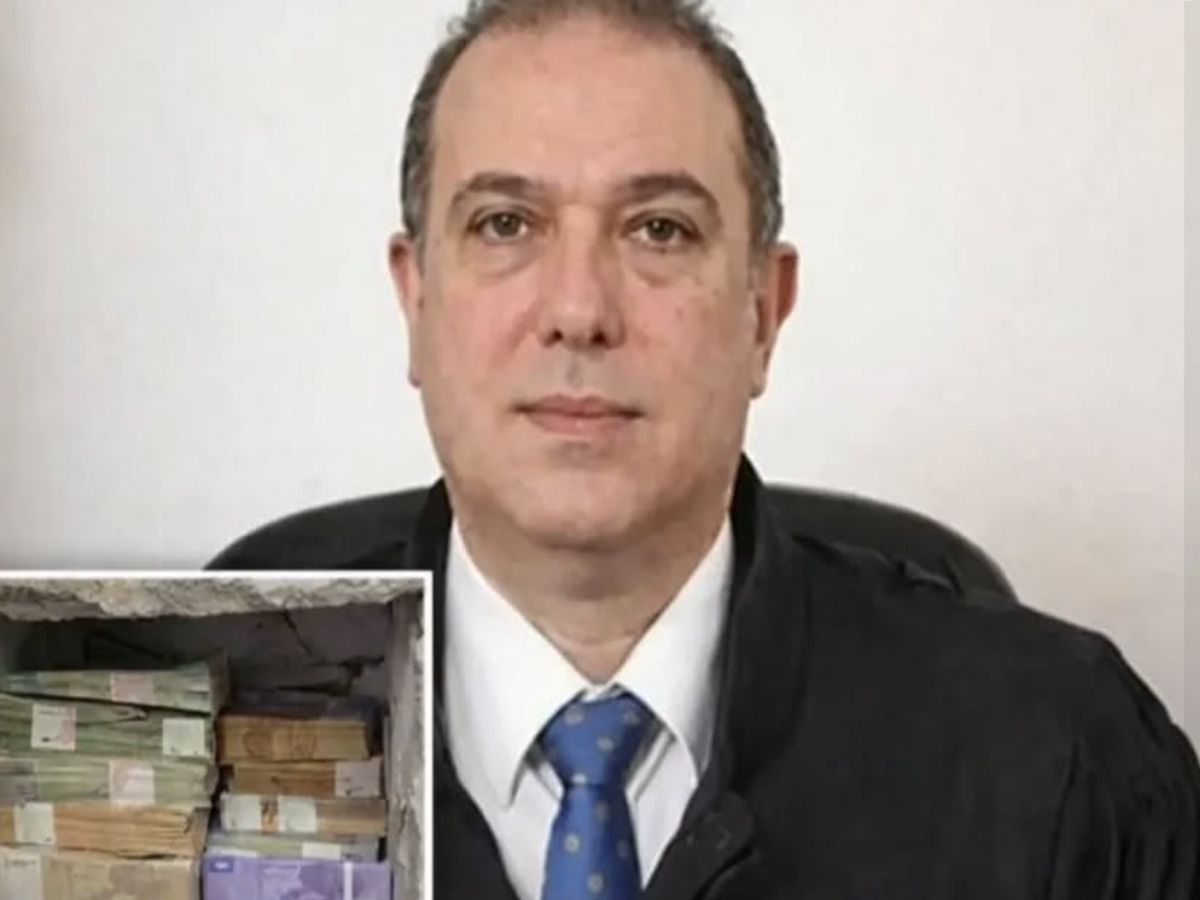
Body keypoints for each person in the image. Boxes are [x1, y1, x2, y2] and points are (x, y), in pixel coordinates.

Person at [210, 1, 1199, 897]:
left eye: (659, 230)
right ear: (416, 302)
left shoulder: (1064, 762)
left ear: (762, 313)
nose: (579, 310)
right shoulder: (195, 722)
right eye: (505, 224)